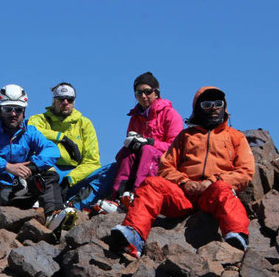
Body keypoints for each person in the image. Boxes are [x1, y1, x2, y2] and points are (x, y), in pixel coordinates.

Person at [110, 86, 255, 257]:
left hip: (213, 192)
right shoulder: (185, 136)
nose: (214, 108)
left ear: (224, 106)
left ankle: (236, 237)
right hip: (184, 194)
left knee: (223, 189)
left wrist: (212, 181)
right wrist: (185, 182)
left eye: (218, 103)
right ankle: (133, 234)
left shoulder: (235, 137)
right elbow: (165, 167)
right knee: (152, 184)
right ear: (197, 108)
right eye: (207, 104)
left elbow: (245, 171)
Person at [0, 84, 78, 232]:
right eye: (8, 109)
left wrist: (31, 166)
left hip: (22, 192)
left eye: (18, 109)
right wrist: (7, 166)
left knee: (49, 171)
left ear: (24, 111)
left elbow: (52, 150)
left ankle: (53, 214)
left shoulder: (30, 131)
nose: (13, 114)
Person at [29, 82, 115, 210]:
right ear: (54, 101)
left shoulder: (84, 123)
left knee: (112, 169)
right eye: (60, 99)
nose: (65, 102)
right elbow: (30, 130)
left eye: (69, 99)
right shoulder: (40, 119)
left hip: (74, 175)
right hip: (50, 173)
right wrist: (61, 137)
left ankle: (73, 206)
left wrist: (70, 179)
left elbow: (92, 162)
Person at [110, 72, 184, 208]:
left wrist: (150, 142)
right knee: (127, 151)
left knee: (147, 150)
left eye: (147, 91)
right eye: (139, 92)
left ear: (156, 93)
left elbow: (176, 147)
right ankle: (118, 197)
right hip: (140, 159)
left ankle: (140, 194)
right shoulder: (135, 117)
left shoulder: (170, 114)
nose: (143, 96)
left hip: (163, 162)